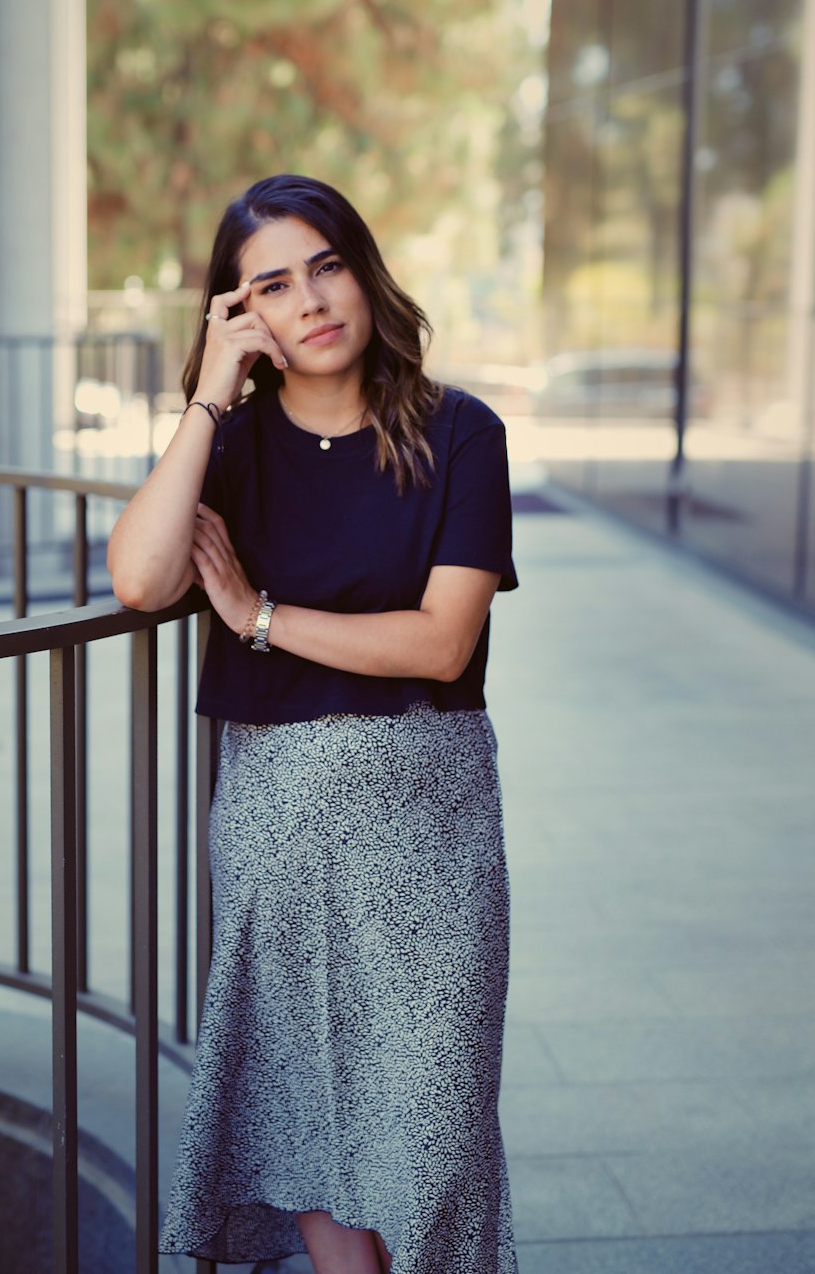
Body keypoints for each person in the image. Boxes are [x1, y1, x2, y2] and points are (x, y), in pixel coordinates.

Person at [108, 174, 519, 1274]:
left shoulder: (461, 434)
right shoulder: (230, 452)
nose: (313, 300)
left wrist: (259, 615)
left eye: (327, 264)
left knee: (435, 1131)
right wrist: (203, 397)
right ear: (242, 317)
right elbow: (141, 580)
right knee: (307, 1125)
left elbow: (439, 644)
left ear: (365, 270)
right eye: (272, 287)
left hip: (429, 832)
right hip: (278, 826)